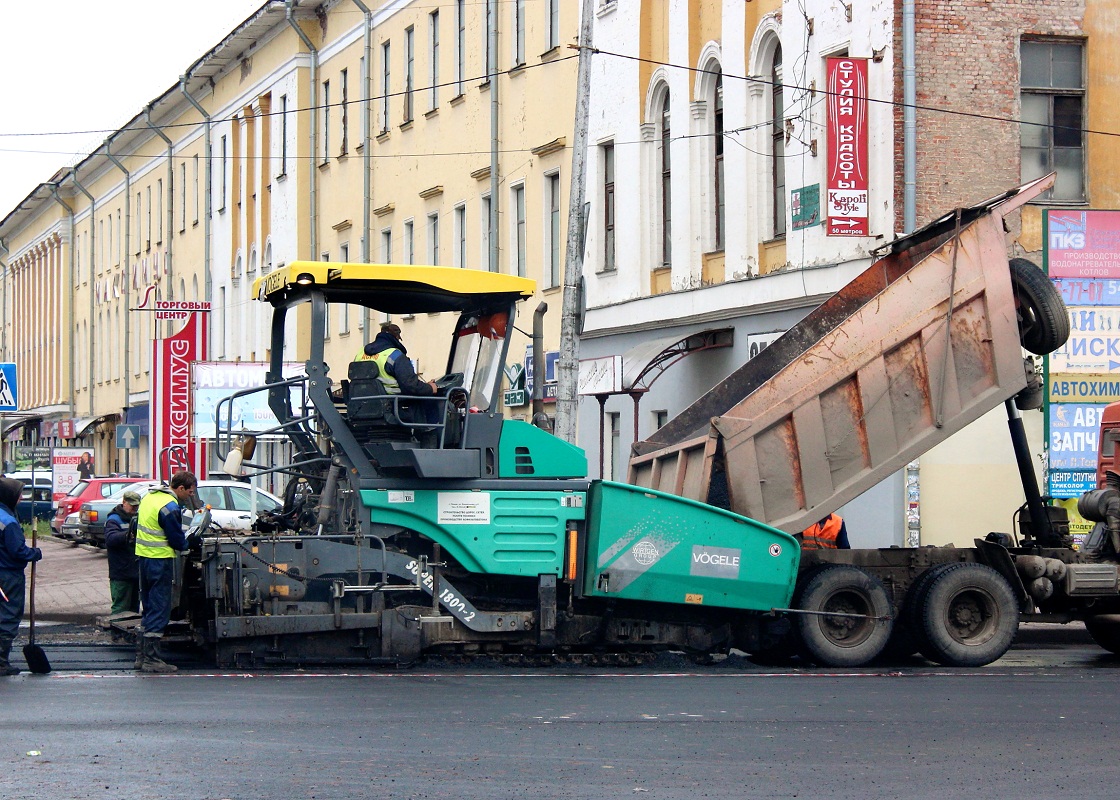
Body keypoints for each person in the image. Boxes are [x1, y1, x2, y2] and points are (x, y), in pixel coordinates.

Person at [134, 471, 197, 673]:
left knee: (150, 607)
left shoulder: (150, 497)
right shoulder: (170, 507)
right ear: (180, 488)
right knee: (160, 608)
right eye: (189, 492)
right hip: (159, 561)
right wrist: (189, 543)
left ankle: (141, 657)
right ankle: (152, 660)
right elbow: (176, 539)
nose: (190, 496)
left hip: (143, 558)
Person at [355, 322, 442, 427]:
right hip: (392, 407)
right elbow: (411, 386)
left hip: (362, 407)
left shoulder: (361, 353)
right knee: (431, 401)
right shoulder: (395, 355)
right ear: (396, 337)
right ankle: (429, 437)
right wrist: (430, 388)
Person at [0, 476, 43, 675]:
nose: (20, 500)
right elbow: (18, 551)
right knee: (8, 616)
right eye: (18, 496)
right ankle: (1, 661)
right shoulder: (8, 522)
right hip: (8, 576)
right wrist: (35, 553)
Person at [104, 490, 142, 632]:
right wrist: (128, 536)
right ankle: (117, 634)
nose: (134, 509)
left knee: (134, 608)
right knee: (120, 607)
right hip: (120, 572)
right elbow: (110, 539)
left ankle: (129, 635)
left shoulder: (137, 518)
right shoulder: (114, 519)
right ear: (124, 502)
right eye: (132, 505)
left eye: (136, 506)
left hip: (134, 570)